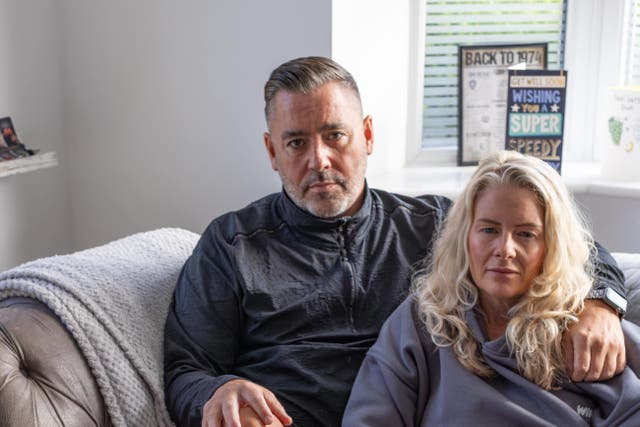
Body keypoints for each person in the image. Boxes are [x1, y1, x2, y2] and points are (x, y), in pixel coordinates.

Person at [163, 57, 628, 427]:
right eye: (296, 143)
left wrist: (600, 303)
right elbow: (186, 370)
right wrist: (216, 392)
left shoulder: (435, 224)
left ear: (366, 135)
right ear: (272, 151)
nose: (319, 160)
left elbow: (571, 247)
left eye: (335, 135)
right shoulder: (230, 245)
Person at [343, 150, 640, 426]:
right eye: (488, 230)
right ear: (465, 237)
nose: (504, 249)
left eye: (525, 234)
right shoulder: (421, 324)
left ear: (551, 246)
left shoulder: (586, 327)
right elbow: (369, 418)